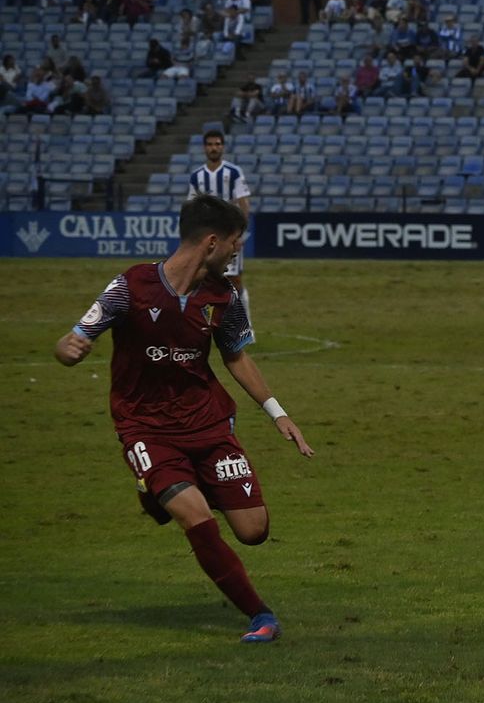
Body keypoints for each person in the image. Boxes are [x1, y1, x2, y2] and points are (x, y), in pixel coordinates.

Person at [51, 195, 314, 645]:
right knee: (195, 517)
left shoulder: (225, 296)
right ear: (212, 242)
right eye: (234, 243)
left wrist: (278, 414)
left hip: (208, 425)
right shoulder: (130, 286)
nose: (236, 251)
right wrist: (69, 349)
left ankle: (158, 489)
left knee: (254, 530)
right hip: (146, 428)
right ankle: (260, 615)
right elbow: (73, 338)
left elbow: (236, 357)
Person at [188, 131, 253, 323]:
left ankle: (245, 325)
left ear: (222, 147)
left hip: (229, 238)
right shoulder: (197, 176)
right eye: (209, 144)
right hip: (206, 239)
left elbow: (243, 203)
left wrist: (239, 234)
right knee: (203, 280)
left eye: (217, 144)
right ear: (204, 148)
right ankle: (208, 324)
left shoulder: (233, 172)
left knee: (234, 281)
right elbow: (193, 208)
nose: (213, 148)